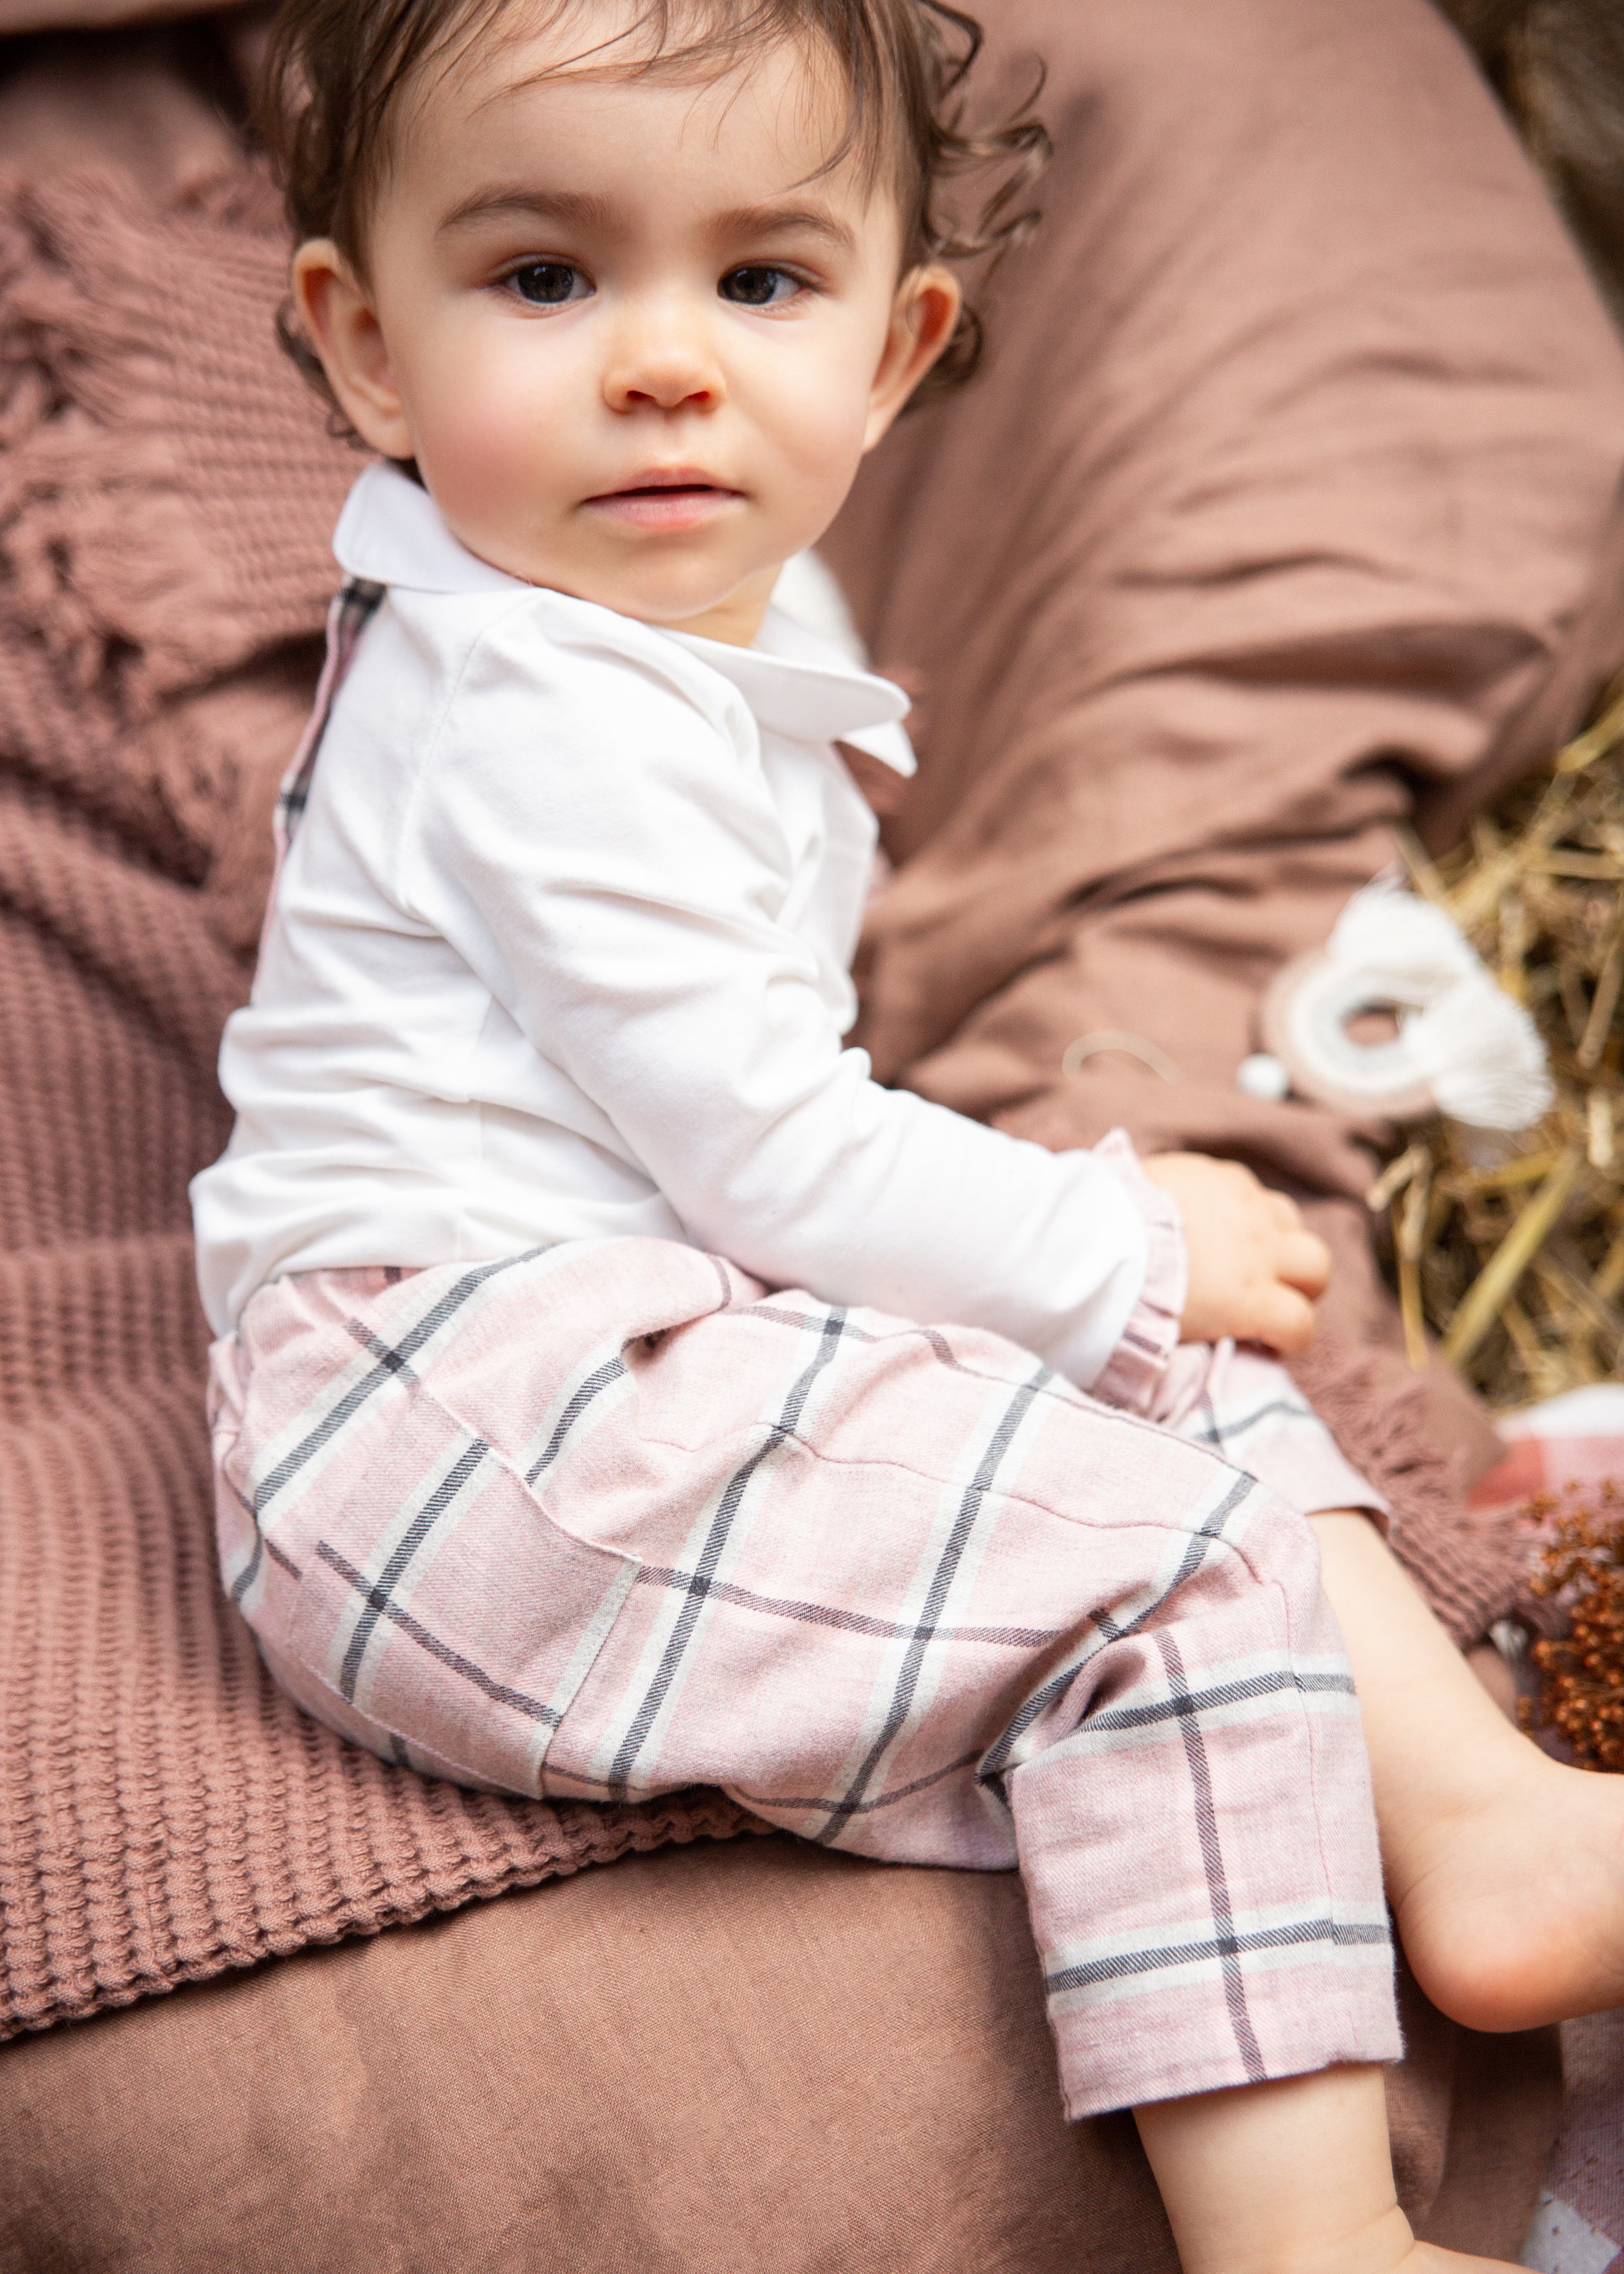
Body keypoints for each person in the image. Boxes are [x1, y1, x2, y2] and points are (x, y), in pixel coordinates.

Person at [187, 3, 1624, 2269]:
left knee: (1180, 1400)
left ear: (895, 345)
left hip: (629, 1338)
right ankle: (1311, 2241)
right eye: (547, 279)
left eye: (761, 283)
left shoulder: (718, 614)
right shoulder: (541, 708)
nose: (667, 363)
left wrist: (1104, 1297)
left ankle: (1488, 1839)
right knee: (1158, 1559)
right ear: (365, 346)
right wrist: (1112, 1236)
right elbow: (767, 1151)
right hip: (447, 1425)